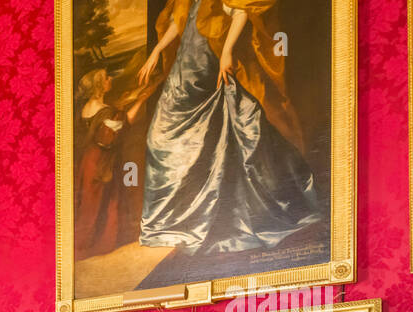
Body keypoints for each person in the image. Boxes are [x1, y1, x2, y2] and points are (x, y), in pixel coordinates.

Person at [135, 0, 321, 254]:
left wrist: (226, 52)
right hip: (184, 72)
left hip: (207, 68)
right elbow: (180, 23)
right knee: (160, 139)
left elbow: (240, 11)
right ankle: (174, 218)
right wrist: (157, 50)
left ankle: (205, 217)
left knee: (220, 132)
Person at [74, 68, 152, 259]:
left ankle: (88, 241)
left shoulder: (87, 107)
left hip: (87, 160)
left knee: (89, 202)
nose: (111, 79)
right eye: (107, 77)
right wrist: (141, 100)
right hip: (101, 161)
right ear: (100, 85)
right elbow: (122, 124)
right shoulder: (107, 112)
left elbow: (113, 114)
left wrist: (131, 97)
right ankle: (97, 243)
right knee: (101, 201)